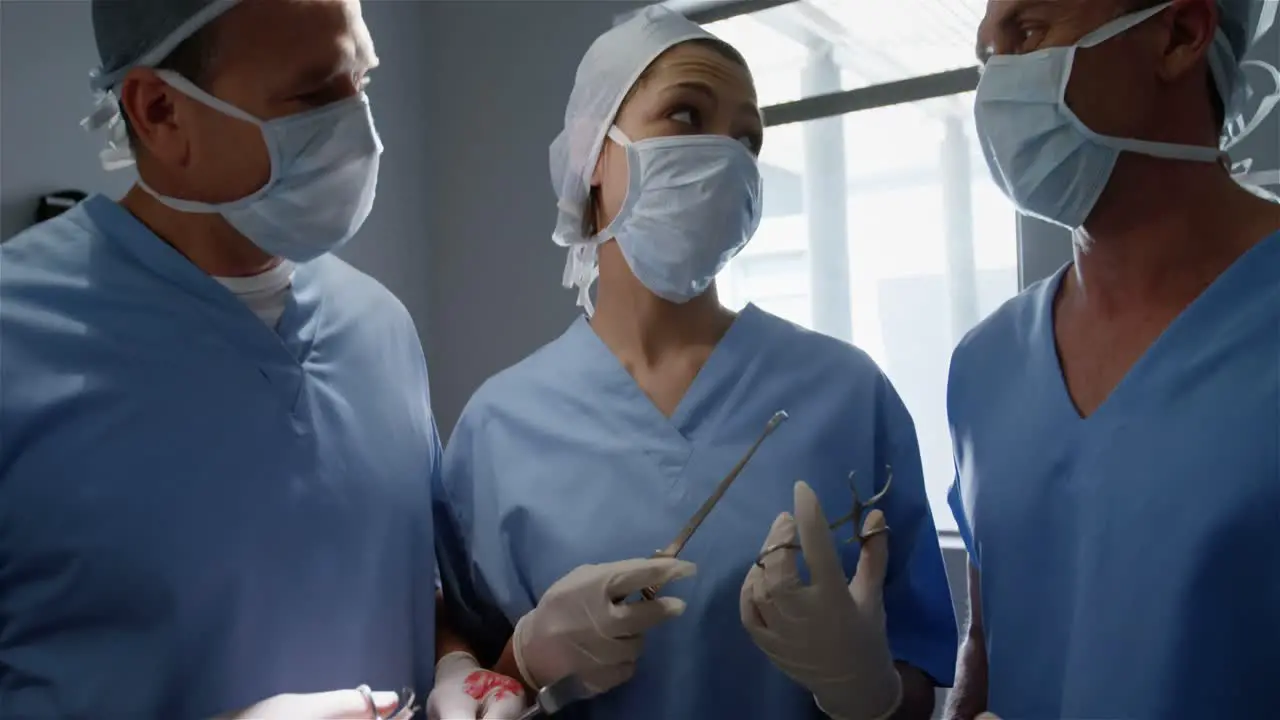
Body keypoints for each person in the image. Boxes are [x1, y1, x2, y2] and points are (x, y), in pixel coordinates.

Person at [432, 6, 958, 719]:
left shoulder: (846, 394)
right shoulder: (499, 426)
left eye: (747, 138)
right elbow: (472, 669)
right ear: (592, 156)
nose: (726, 154)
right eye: (686, 115)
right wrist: (519, 659)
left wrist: (871, 693)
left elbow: (918, 671)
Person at [0, 0, 457, 716]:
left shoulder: (381, 330)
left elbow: (412, 590)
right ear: (158, 111)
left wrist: (462, 665)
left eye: (361, 81)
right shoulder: (15, 336)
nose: (359, 130)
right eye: (312, 94)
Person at [943, 1, 1280, 719]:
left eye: (1028, 34)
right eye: (987, 57)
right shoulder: (985, 364)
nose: (996, 86)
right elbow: (991, 645)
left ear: (1180, 34)